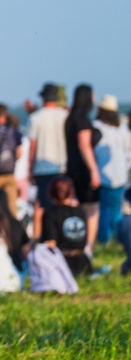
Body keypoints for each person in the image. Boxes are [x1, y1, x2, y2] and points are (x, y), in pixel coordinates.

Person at [27, 83, 69, 238]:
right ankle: (62, 235)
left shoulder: (35, 118)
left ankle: (43, 236)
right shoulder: (65, 116)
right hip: (62, 166)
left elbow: (32, 147)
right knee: (63, 203)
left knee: (43, 206)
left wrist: (30, 169)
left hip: (42, 167)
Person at [65, 84, 102, 250]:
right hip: (83, 170)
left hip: (71, 168)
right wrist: (94, 170)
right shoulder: (83, 118)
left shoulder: (70, 117)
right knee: (92, 210)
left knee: (75, 210)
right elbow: (84, 144)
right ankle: (87, 248)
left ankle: (74, 245)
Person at [93, 94, 129, 244]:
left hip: (101, 173)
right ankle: (120, 239)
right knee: (116, 210)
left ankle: (104, 240)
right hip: (120, 174)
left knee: (103, 210)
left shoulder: (96, 126)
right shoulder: (122, 128)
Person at [41, 176, 93, 276]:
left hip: (62, 264)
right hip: (83, 263)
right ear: (72, 192)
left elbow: (51, 242)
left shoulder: (50, 213)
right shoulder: (80, 211)